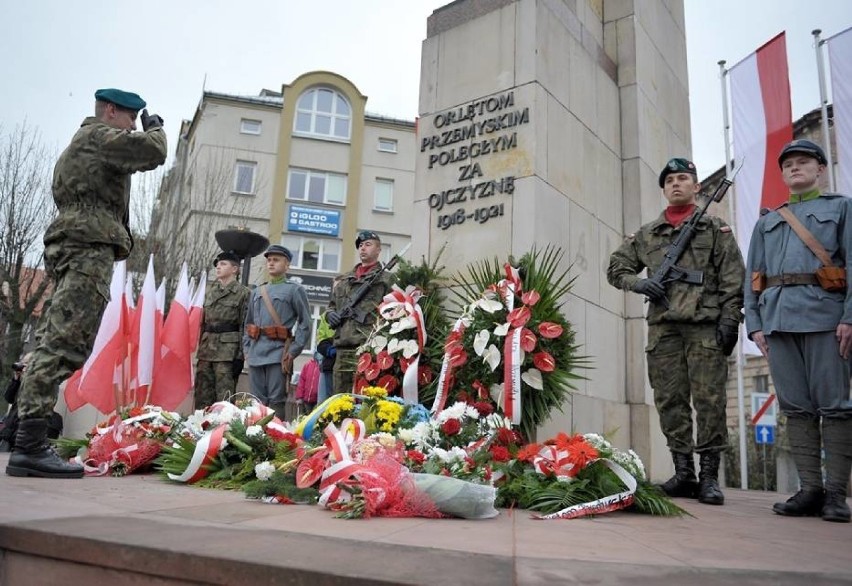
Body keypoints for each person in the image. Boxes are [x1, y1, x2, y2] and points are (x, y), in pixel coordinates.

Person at [6, 88, 167, 479]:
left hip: (73, 244)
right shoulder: (98, 137)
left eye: (136, 119)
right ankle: (28, 446)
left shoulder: (82, 143)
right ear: (110, 111)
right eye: (129, 117)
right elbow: (154, 152)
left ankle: (20, 433)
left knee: (50, 340)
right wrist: (156, 127)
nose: (132, 125)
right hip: (86, 248)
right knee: (64, 345)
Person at [607, 158, 745, 506]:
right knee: (670, 401)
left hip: (704, 326)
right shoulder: (648, 234)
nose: (676, 184)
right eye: (669, 180)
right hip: (664, 329)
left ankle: (710, 477)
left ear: (696, 186)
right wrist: (640, 284)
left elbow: (732, 278)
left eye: (683, 178)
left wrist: (730, 320)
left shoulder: (715, 228)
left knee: (710, 401)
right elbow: (616, 268)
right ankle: (684, 472)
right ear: (664, 189)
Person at [745, 139, 852, 523]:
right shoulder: (768, 221)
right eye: (788, 164)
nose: (795, 168)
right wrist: (754, 324)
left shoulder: (841, 208)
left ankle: (836, 495)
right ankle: (810, 490)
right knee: (795, 408)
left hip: (826, 319)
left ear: (820, 169)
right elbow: (752, 277)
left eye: (804, 162)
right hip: (777, 322)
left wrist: (850, 317)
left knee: (836, 408)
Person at [243, 245, 311, 420]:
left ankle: (274, 439)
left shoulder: (294, 290)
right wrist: (247, 349)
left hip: (278, 353)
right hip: (256, 352)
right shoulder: (257, 291)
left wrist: (293, 351)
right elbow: (248, 323)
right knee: (256, 401)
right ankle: (256, 438)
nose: (271, 263)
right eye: (269, 260)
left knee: (276, 401)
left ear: (287, 265)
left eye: (276, 260)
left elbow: (305, 323)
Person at [326, 231, 394, 394]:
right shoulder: (344, 281)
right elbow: (331, 306)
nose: (363, 248)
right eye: (361, 245)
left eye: (368, 244)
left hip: (368, 348)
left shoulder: (386, 279)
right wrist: (330, 315)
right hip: (342, 348)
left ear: (378, 250)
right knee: (340, 398)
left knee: (363, 395)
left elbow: (393, 311)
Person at [194, 250, 250, 409]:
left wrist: (240, 356)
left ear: (235, 269)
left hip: (227, 352)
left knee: (224, 397)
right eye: (217, 265)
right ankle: (199, 427)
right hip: (206, 350)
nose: (218, 267)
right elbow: (203, 323)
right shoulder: (210, 292)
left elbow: (244, 325)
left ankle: (221, 430)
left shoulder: (243, 293)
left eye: (223, 264)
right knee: (202, 394)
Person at [315, 313, 336, 403]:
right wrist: (328, 349)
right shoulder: (327, 314)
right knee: (324, 403)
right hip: (329, 364)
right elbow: (320, 340)